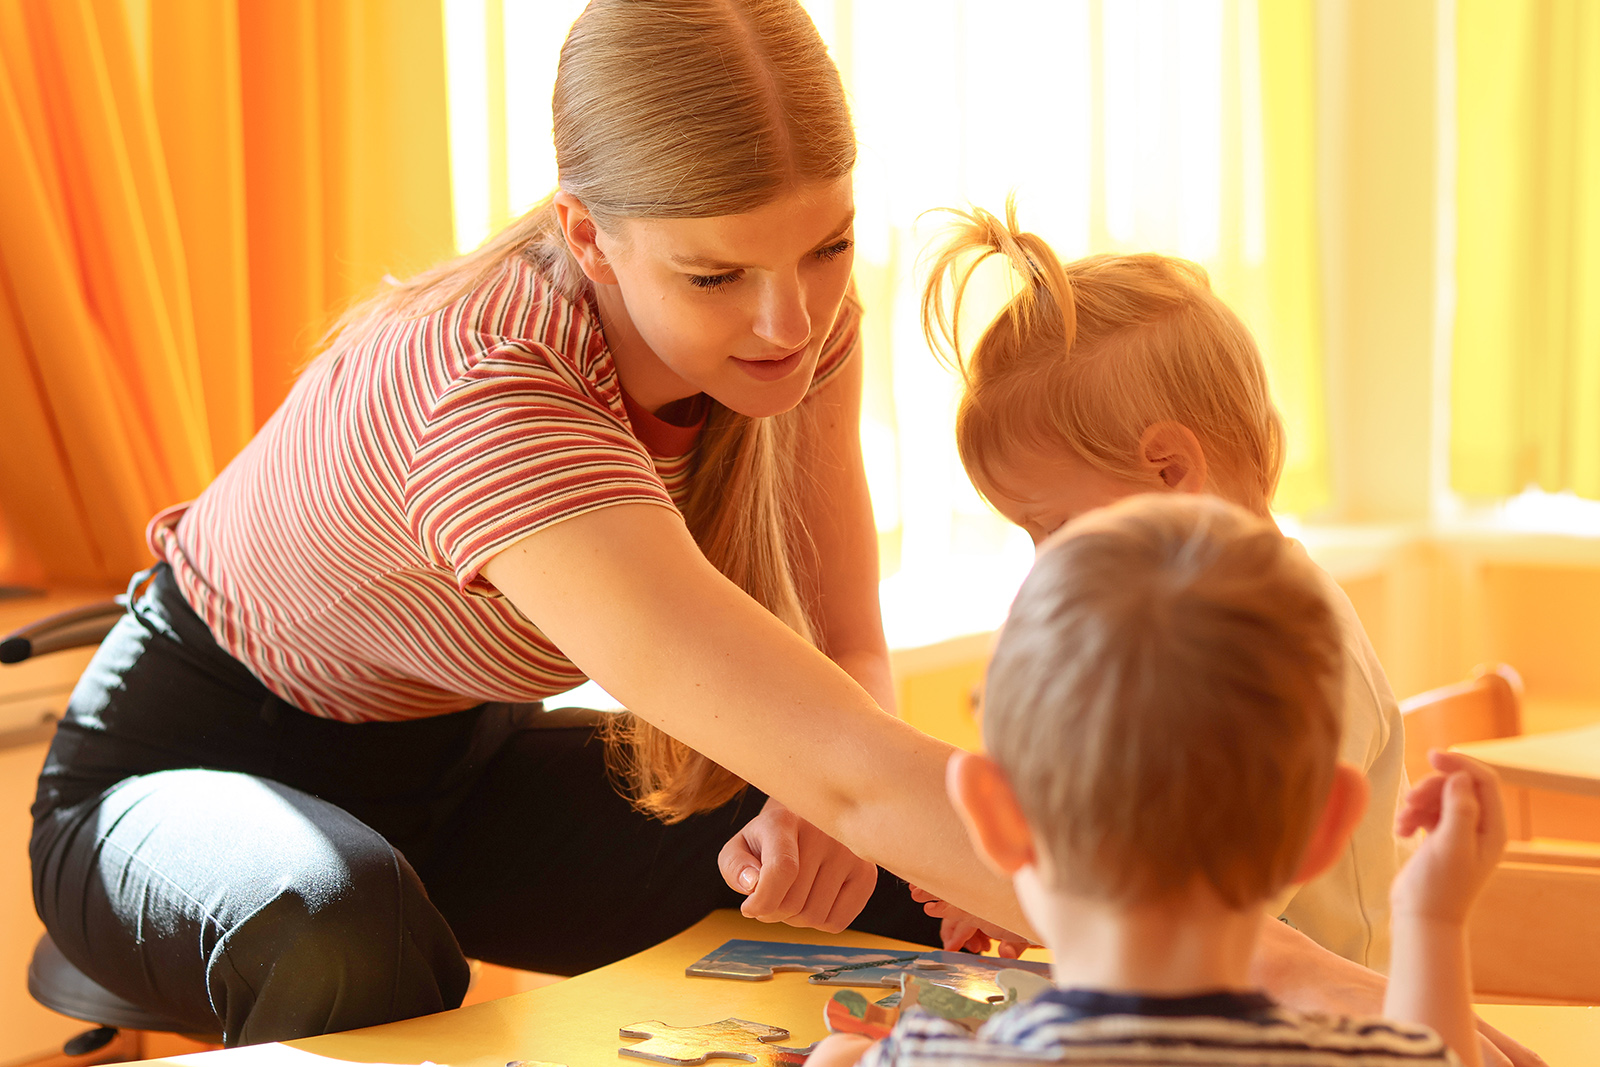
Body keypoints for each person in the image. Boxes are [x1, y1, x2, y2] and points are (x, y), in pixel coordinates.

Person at [31, 0, 995, 1047]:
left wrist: (823, 811)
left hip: (461, 769)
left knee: (896, 879)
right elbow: (853, 763)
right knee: (343, 927)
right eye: (716, 274)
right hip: (183, 771)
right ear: (588, 235)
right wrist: (1153, 941)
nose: (791, 320)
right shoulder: (492, 392)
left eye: (829, 244)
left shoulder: (799, 337)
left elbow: (847, 651)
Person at [902, 204, 1542, 1067]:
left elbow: (1180, 892)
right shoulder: (1201, 637)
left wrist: (1022, 872)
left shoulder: (1292, 651)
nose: (1042, 564)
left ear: (1168, 470)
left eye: (1049, 526)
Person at [812, 493, 1505, 1067]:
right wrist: (1432, 919)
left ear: (991, 814)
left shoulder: (937, 1058)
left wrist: (842, 1054)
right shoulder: (1357, 1057)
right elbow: (1433, 1054)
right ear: (1328, 827)